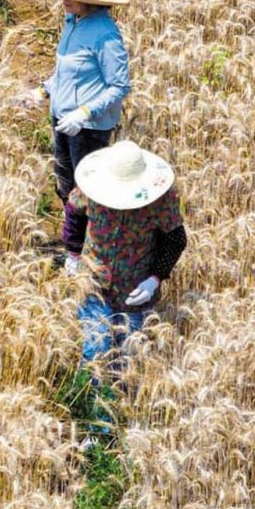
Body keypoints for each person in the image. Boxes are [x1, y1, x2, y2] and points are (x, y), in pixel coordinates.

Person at [17, 0, 131, 271]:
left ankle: (85, 255)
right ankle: (73, 250)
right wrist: (42, 91)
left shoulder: (105, 35)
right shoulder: (73, 22)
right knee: (65, 185)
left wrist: (83, 112)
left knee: (86, 191)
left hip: (88, 128)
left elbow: (119, 86)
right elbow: (65, 74)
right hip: (63, 119)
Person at [69, 140, 187, 378]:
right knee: (94, 353)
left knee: (126, 357)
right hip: (94, 283)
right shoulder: (92, 188)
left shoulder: (161, 199)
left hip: (135, 289)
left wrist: (155, 278)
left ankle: (118, 405)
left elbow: (176, 239)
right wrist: (72, 253)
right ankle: (91, 407)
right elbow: (74, 211)